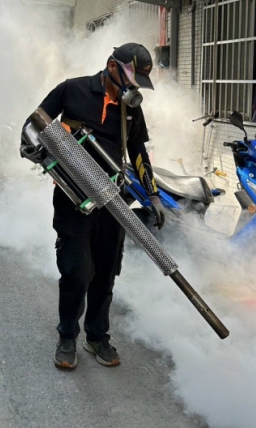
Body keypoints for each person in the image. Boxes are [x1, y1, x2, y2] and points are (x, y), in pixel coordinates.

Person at [21, 43, 166, 370]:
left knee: (104, 272)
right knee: (77, 271)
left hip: (113, 201)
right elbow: (34, 125)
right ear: (111, 67)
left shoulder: (131, 110)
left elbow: (139, 151)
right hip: (74, 199)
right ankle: (67, 336)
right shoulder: (72, 90)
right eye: (129, 79)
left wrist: (152, 193)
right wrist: (35, 152)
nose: (132, 88)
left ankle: (97, 336)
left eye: (138, 84)